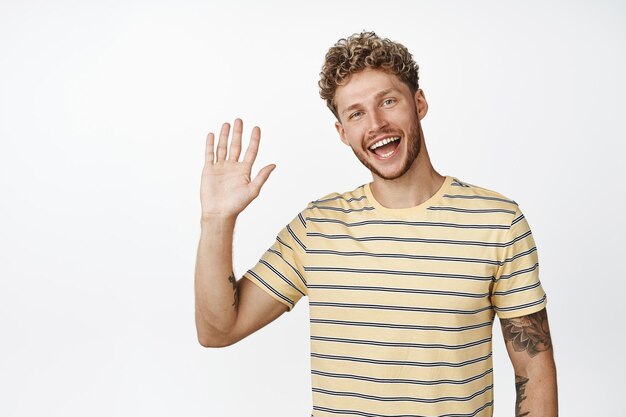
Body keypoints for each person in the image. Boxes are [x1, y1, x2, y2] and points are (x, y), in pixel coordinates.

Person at [195, 31, 558, 417]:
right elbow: (218, 330)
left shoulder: (497, 221)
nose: (376, 124)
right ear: (342, 132)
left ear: (419, 103)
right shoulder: (316, 228)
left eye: (388, 101)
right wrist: (217, 221)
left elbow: (532, 367)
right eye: (356, 113)